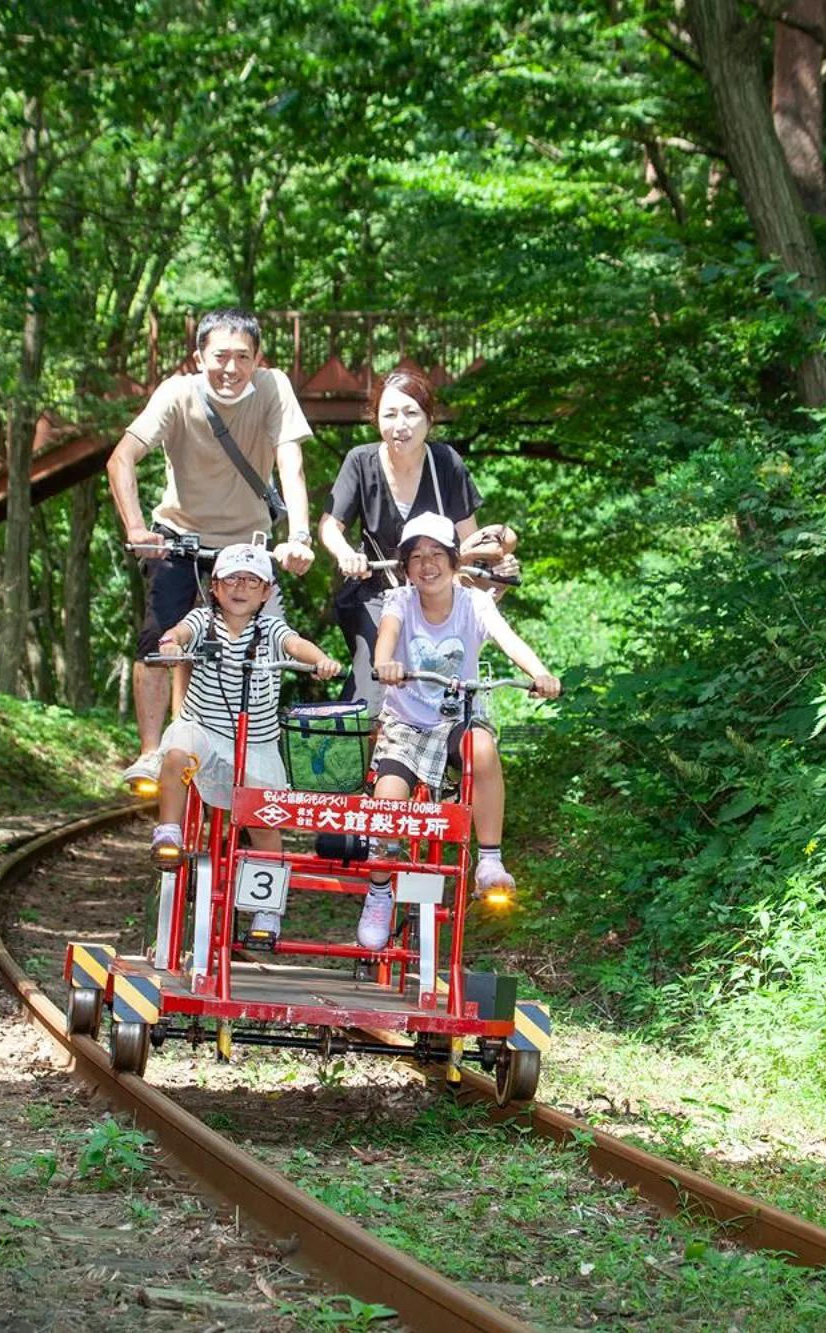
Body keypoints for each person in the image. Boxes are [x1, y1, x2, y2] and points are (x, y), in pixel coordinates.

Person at [108, 309, 317, 791]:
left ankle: (251, 749)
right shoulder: (177, 393)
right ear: (199, 356)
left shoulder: (272, 388)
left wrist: (300, 538)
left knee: (263, 648)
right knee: (160, 640)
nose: (231, 367)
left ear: (258, 359)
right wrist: (138, 529)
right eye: (220, 355)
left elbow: (291, 462)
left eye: (243, 357)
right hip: (180, 538)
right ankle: (150, 751)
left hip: (249, 545)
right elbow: (121, 458)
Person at [358, 513, 559, 950]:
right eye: (416, 558)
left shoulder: (475, 603)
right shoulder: (399, 602)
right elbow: (386, 639)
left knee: (482, 747)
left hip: (456, 717)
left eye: (436, 555)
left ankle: (489, 860)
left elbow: (510, 640)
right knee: (388, 798)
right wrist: (386, 662)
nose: (427, 565)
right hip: (406, 724)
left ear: (454, 561)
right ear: (405, 567)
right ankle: (377, 891)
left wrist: (541, 673)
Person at [150, 543, 341, 942]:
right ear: (215, 587)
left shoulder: (270, 629)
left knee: (265, 819)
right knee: (176, 751)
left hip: (256, 744)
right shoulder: (204, 620)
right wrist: (172, 643)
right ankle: (169, 833)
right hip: (205, 730)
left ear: (266, 592)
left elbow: (295, 645)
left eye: (251, 581)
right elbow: (180, 633)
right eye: (231, 579)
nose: (240, 588)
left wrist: (320, 659)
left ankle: (266, 909)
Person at [318, 370, 518, 716]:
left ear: (429, 418)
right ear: (376, 418)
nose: (401, 425)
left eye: (411, 414)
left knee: (445, 679)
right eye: (390, 414)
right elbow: (330, 526)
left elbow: (467, 545)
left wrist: (492, 568)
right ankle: (362, 761)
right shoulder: (361, 462)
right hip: (378, 593)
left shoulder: (446, 464)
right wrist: (346, 553)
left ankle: (447, 756)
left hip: (435, 593)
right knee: (376, 675)